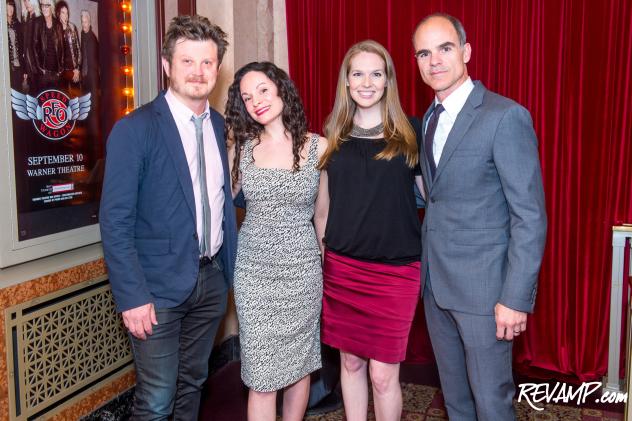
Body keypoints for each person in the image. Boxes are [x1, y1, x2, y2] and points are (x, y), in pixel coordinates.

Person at [100, 15, 237, 420]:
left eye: (207, 63)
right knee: (157, 400)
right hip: (155, 291)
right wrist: (133, 297)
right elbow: (115, 222)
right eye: (187, 62)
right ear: (166, 66)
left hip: (211, 281)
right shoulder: (135, 129)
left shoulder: (217, 125)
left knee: (192, 383)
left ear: (217, 67)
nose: (198, 72)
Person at [412, 13, 547, 420]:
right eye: (423, 52)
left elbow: (530, 216)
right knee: (456, 401)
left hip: (488, 296)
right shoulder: (427, 121)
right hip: (436, 288)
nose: (434, 60)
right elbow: (436, 197)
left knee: (491, 403)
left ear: (466, 52)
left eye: (445, 48)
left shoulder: (504, 117)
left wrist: (514, 298)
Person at [318, 40, 422, 421]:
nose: (366, 82)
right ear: (346, 82)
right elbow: (324, 208)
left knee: (382, 374)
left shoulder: (411, 132)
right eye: (357, 73)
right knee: (350, 364)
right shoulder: (333, 134)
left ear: (387, 81)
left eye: (376, 73)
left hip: (396, 272)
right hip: (343, 269)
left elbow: (435, 197)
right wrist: (322, 257)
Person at [225, 61, 328, 421]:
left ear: (282, 89)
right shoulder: (242, 149)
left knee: (300, 369)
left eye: (264, 90)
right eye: (247, 97)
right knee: (261, 378)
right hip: (254, 274)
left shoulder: (320, 148)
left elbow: (322, 218)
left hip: (302, 274)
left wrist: (328, 272)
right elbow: (217, 202)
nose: (257, 101)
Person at [31, 0, 64, 91]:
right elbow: (34, 47)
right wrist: (40, 68)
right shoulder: (37, 22)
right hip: (43, 73)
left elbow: (62, 47)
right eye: (42, 5)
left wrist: (60, 69)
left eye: (47, 5)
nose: (44, 8)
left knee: (56, 102)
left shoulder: (58, 25)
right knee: (43, 103)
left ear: (51, 7)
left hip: (56, 72)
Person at [55, 1, 80, 92]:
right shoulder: (55, 30)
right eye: (63, 12)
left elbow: (78, 49)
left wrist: (77, 69)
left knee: (76, 99)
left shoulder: (72, 27)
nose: (65, 15)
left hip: (73, 70)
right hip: (61, 72)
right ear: (58, 14)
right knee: (63, 100)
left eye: (67, 13)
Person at [21, 0, 40, 92]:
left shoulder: (39, 18)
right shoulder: (25, 18)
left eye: (28, 0)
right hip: (29, 66)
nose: (26, 3)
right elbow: (25, 46)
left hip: (38, 67)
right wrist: (25, 68)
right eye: (25, 1)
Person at [7, 0, 26, 90]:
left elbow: (22, 47)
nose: (11, 8)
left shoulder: (17, 24)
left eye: (12, 6)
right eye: (8, 5)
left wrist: (24, 69)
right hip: (7, 68)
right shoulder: (2, 25)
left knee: (18, 93)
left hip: (18, 65)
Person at [79, 9, 98, 96]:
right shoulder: (82, 33)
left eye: (85, 22)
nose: (83, 24)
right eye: (82, 22)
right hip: (84, 75)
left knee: (93, 99)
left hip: (92, 75)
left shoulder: (93, 39)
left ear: (89, 23)